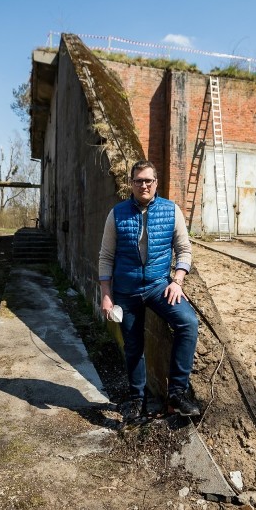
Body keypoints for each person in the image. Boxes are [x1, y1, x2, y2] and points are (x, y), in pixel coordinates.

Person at [98, 160, 200, 424]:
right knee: (133, 347)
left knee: (188, 322)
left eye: (148, 180)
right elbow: (106, 256)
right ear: (131, 184)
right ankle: (136, 400)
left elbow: (184, 250)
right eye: (138, 180)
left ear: (156, 183)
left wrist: (177, 280)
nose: (144, 185)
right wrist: (106, 294)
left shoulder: (171, 210)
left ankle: (177, 393)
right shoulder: (117, 214)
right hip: (126, 291)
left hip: (158, 287)